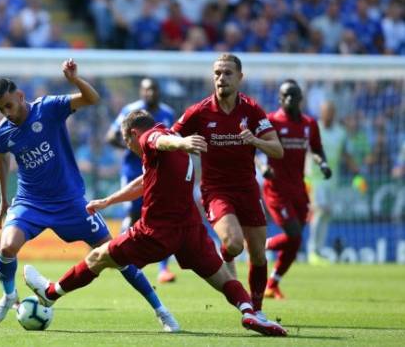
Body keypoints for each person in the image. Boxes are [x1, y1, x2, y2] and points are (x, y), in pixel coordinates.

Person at [22, 110, 287, 336]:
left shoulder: (152, 137)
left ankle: (50, 292)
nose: (130, 148)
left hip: (156, 231)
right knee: (220, 276)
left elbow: (160, 142)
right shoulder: (167, 136)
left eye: (128, 142)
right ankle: (249, 311)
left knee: (98, 257)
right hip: (190, 230)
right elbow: (144, 180)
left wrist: (180, 144)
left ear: (133, 134)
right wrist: (108, 201)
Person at [0, 59, 178, 331]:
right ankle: (8, 296)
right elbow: (2, 160)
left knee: (116, 254)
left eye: (9, 105)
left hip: (71, 203)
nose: (6, 113)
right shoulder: (1, 132)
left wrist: (75, 80)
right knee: (6, 247)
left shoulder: (48, 108)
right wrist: (5, 200)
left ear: (19, 96)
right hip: (30, 202)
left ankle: (161, 310)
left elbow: (92, 98)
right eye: (0, 109)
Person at [171, 53, 283, 317]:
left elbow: (277, 150)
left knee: (258, 254)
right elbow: (170, 137)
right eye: (217, 74)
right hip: (216, 190)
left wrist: (255, 141)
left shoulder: (252, 110)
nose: (221, 78)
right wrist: (182, 144)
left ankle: (256, 310)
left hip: (247, 189)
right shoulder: (199, 112)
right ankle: (226, 256)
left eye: (228, 73)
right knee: (234, 244)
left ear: (240, 78)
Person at [259, 80, 331, 299]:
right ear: (279, 99)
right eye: (285, 95)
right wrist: (263, 167)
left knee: (296, 240)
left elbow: (317, 149)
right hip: (276, 189)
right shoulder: (270, 121)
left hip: (299, 189)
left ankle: (272, 284)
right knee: (294, 234)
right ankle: (256, 245)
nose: (289, 99)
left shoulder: (310, 124)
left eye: (293, 95)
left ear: (301, 98)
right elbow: (253, 151)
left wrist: (323, 163)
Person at [106, 77, 177, 283]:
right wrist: (135, 148)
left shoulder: (167, 112)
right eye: (146, 90)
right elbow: (111, 136)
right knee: (133, 213)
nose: (150, 93)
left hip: (157, 168)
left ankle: (164, 269)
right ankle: (117, 253)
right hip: (132, 169)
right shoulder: (131, 110)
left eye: (153, 89)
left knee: (161, 213)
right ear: (141, 91)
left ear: (158, 91)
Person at [306, 100, 351, 265]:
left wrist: (357, 172)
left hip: (332, 180)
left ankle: (319, 250)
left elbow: (345, 153)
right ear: (321, 112)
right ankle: (313, 251)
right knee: (320, 211)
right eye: (325, 111)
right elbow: (306, 152)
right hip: (315, 180)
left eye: (331, 111)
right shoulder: (313, 128)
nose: (328, 114)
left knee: (327, 214)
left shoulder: (341, 132)